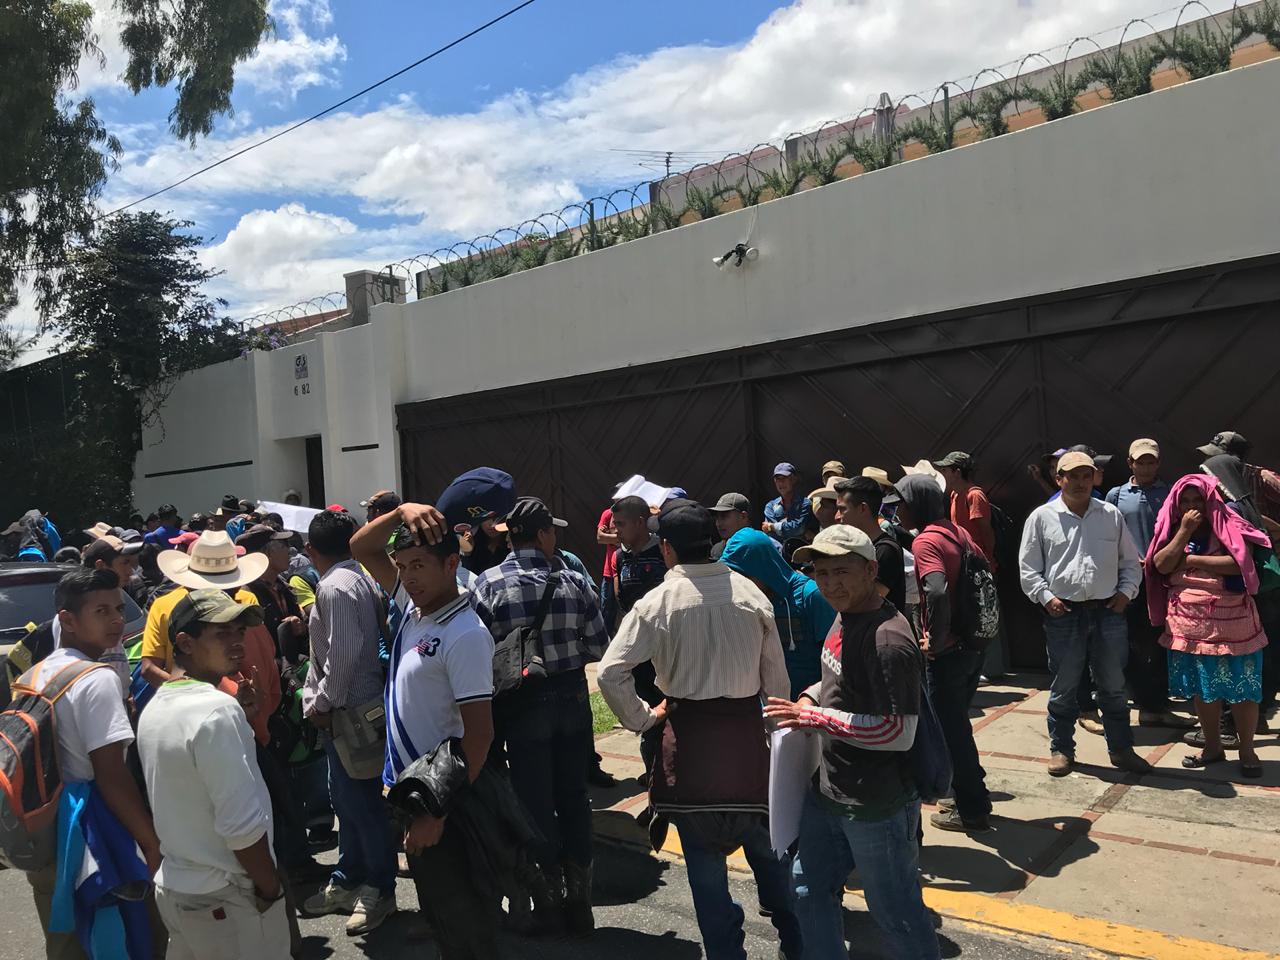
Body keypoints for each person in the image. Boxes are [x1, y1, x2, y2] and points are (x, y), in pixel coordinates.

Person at [598, 500, 801, 960]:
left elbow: (610, 673)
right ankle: (800, 945)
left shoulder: (657, 603)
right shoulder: (752, 595)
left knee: (708, 884)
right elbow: (779, 690)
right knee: (776, 871)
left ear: (666, 548)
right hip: (750, 756)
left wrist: (644, 719)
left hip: (690, 758)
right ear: (713, 543)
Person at [765, 525, 940, 960]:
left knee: (896, 913)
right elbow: (837, 681)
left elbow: (896, 732)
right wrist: (811, 694)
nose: (829, 583)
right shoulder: (846, 615)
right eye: (821, 573)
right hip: (828, 793)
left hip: (876, 806)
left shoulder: (888, 640)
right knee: (807, 888)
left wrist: (815, 716)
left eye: (841, 571)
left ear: (871, 570)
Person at [350, 501, 501, 957]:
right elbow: (361, 546)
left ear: (452, 563)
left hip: (448, 801)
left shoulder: (464, 632)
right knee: (442, 913)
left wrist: (436, 813)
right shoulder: (416, 611)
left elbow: (480, 736)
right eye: (402, 566)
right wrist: (401, 511)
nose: (408, 576)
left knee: (466, 924)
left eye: (419, 565)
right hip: (416, 794)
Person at [471, 497, 610, 936]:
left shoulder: (487, 584)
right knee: (573, 798)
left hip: (521, 703)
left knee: (535, 803)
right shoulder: (573, 581)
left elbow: (478, 653)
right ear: (545, 534)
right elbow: (598, 647)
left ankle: (547, 903)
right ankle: (580, 903)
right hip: (570, 698)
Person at [135, 588, 288, 959]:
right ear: (185, 643)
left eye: (239, 631)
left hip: (179, 889)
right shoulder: (216, 711)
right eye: (222, 634)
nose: (238, 642)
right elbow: (241, 827)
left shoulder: (158, 704)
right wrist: (270, 889)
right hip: (227, 897)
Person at [22, 569, 163, 960]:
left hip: (46, 826)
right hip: (92, 833)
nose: (117, 620)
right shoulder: (95, 678)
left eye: (118, 608)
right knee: (135, 935)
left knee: (66, 939)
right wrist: (151, 843)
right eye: (101, 611)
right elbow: (112, 776)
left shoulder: (34, 674)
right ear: (67, 620)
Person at [1019, 451, 1151, 777]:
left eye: (1085, 475)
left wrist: (1125, 594)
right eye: (1072, 476)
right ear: (1059, 479)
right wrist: (1046, 598)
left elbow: (1130, 563)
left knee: (1113, 686)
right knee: (1064, 687)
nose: (1079, 482)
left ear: (1094, 478)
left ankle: (1121, 749)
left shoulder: (1110, 514)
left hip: (1108, 612)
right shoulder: (1042, 517)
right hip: (1063, 613)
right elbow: (1029, 569)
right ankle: (1061, 749)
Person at [300, 510, 398, 934]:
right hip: (357, 708)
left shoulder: (335, 586)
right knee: (348, 802)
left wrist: (323, 702)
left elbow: (341, 655)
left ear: (310, 550)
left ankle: (379, 887)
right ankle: (349, 879)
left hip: (349, 713)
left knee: (361, 804)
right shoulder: (357, 578)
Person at [1146, 476, 1270, 778]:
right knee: (1204, 690)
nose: (1192, 507)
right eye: (1185, 502)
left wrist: (1189, 560)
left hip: (1233, 624)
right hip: (1189, 626)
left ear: (1209, 500)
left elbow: (1239, 563)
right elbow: (1161, 564)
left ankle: (1247, 750)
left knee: (1243, 689)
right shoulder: (1172, 528)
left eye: (1197, 500)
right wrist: (1184, 532)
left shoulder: (1226, 522)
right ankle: (1212, 746)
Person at [893, 474, 992, 833]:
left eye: (901, 503)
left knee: (951, 733)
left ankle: (972, 809)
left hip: (948, 652)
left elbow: (935, 589)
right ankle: (972, 790)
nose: (896, 510)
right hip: (973, 645)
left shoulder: (925, 543)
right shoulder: (955, 532)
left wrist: (934, 640)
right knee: (958, 727)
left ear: (916, 504)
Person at [1103, 439, 1193, 730]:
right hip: (1129, 581)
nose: (1145, 467)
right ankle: (1143, 699)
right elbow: (1108, 535)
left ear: (1158, 463)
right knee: (1130, 642)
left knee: (1160, 641)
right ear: (1130, 463)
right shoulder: (1116, 495)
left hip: (1163, 580)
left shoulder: (1170, 494)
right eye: (1140, 462)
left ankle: (1156, 702)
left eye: (1150, 462)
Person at [137, 532, 266, 688]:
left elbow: (150, 668)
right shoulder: (247, 603)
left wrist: (184, 691)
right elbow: (262, 664)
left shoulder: (163, 605)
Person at [721, 527, 835, 698]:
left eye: (743, 576)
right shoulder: (745, 601)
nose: (737, 584)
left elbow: (836, 662)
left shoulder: (811, 596)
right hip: (768, 708)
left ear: (763, 569)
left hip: (812, 706)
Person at [610, 495, 669, 781]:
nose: (616, 530)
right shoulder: (620, 556)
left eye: (621, 524)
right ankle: (654, 777)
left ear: (640, 522)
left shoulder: (663, 552)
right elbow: (620, 597)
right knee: (650, 717)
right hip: (639, 654)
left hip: (667, 651)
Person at [833, 477, 907, 617]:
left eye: (842, 509)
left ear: (863, 508)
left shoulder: (885, 550)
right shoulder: (855, 548)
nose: (837, 516)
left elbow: (866, 603)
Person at [436, 467, 518, 576]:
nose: (491, 524)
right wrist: (467, 553)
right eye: (486, 518)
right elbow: (465, 579)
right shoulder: (472, 541)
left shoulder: (513, 544)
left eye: (497, 518)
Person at [933, 452, 996, 566]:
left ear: (957, 473)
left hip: (979, 562)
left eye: (944, 470)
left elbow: (986, 532)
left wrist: (989, 560)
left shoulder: (974, 496)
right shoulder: (954, 494)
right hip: (963, 559)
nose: (941, 474)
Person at [764, 463, 808, 543]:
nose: (781, 482)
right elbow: (771, 534)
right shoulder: (770, 506)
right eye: (777, 479)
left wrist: (773, 526)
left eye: (784, 478)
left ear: (794, 479)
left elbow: (799, 528)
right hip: (778, 551)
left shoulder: (805, 503)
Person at [709, 492, 755, 560]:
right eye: (717, 518)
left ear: (743, 516)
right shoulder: (717, 550)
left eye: (724, 516)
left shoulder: (759, 546)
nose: (718, 524)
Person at [597, 504, 621, 629]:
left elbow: (629, 538)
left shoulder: (631, 514)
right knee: (606, 612)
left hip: (625, 568)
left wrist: (609, 537)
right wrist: (618, 538)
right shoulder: (608, 513)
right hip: (609, 573)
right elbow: (599, 538)